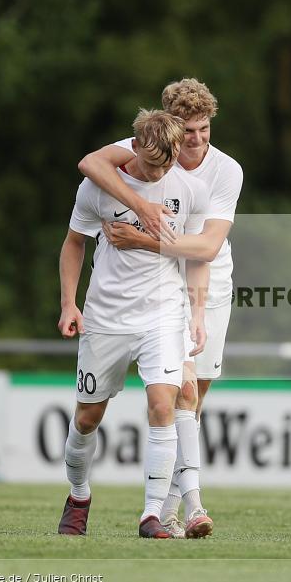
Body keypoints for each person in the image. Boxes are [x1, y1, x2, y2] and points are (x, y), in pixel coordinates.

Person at [78, 78, 242, 538]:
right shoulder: (147, 148)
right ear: (168, 126)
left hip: (207, 278)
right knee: (179, 395)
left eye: (204, 129)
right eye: (187, 130)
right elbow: (91, 164)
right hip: (159, 285)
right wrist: (141, 209)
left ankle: (168, 506)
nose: (196, 139)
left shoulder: (226, 171)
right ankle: (188, 508)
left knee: (195, 395)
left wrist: (141, 237)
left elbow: (206, 247)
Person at [56, 109, 215, 539]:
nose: (158, 171)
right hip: (106, 315)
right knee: (88, 417)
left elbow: (198, 255)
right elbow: (74, 243)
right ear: (134, 147)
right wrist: (69, 303)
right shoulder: (99, 186)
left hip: (162, 313)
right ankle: (79, 494)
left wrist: (196, 314)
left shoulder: (190, 190)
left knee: (165, 404)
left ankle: (151, 516)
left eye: (166, 163)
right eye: (149, 163)